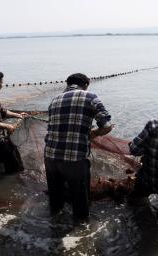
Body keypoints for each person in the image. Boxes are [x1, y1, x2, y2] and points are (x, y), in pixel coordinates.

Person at [44, 73, 113, 219]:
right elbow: (106, 126)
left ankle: (53, 226)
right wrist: (92, 134)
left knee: (56, 199)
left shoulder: (54, 100)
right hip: (74, 159)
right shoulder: (90, 97)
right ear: (86, 84)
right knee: (80, 201)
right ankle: (81, 234)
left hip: (50, 157)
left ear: (68, 84)